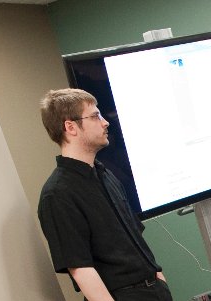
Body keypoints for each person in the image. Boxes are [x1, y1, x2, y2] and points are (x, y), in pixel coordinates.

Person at [37, 89, 172, 301]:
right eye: (94, 116)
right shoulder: (57, 194)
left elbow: (135, 237)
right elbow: (81, 269)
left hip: (154, 291)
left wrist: (158, 278)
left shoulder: (105, 174)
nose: (105, 122)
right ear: (70, 127)